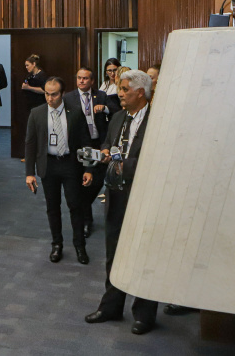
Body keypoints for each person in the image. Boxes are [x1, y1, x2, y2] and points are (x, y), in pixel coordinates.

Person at [84, 70, 160, 335]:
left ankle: (144, 314)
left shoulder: (158, 120)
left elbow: (156, 160)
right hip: (115, 195)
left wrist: (122, 165)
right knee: (114, 252)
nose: (120, 94)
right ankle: (111, 307)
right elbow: (109, 142)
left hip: (144, 196)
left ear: (140, 92)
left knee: (144, 254)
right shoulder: (118, 117)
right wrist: (105, 151)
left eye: (125, 89)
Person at [25, 77, 93, 265]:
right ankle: (57, 244)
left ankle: (80, 245)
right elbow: (30, 144)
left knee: (75, 206)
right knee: (52, 207)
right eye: (47, 94)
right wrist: (29, 173)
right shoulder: (37, 113)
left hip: (71, 164)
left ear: (63, 94)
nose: (50, 98)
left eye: (54, 94)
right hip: (49, 165)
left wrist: (88, 168)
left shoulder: (76, 112)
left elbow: (86, 142)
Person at [64, 67, 117, 239]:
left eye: (85, 78)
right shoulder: (68, 98)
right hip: (79, 146)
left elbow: (116, 111)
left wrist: (105, 109)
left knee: (97, 181)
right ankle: (86, 220)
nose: (81, 81)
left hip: (98, 143)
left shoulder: (101, 95)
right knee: (83, 182)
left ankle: (84, 210)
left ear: (92, 81)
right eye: (79, 78)